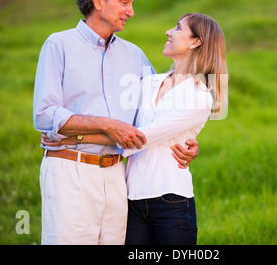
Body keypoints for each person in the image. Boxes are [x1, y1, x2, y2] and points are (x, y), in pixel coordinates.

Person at [33, 0, 199, 245]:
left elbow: (155, 115)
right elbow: (45, 114)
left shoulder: (135, 56)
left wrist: (189, 140)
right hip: (70, 170)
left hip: (118, 174)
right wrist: (108, 125)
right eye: (125, 2)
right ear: (98, 1)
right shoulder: (58, 45)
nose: (131, 12)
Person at [43, 12, 228, 245]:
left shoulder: (199, 97)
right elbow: (121, 122)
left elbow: (137, 137)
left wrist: (73, 135)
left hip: (170, 200)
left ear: (195, 41)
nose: (168, 31)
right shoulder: (148, 82)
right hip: (130, 198)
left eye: (178, 28)